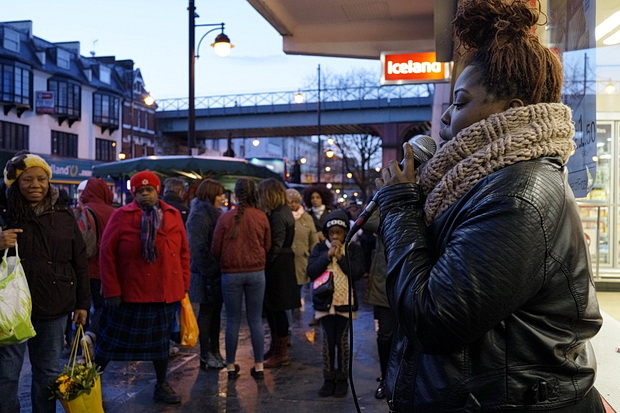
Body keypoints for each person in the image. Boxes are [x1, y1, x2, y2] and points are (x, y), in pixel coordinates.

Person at [374, 0, 604, 411]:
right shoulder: (486, 182)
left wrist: (398, 207)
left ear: (511, 112)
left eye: (460, 102)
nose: (445, 118)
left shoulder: (518, 195)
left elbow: (434, 319)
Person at [0, 151, 90, 413]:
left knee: (48, 373)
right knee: (6, 374)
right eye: (27, 179)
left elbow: (79, 261)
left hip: (54, 305)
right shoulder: (4, 216)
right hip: (10, 308)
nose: (36, 185)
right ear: (15, 183)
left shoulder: (63, 214)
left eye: (41, 179)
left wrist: (82, 303)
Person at [96, 171, 190, 405]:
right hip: (130, 293)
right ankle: (91, 383)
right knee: (109, 342)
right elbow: (106, 254)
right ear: (133, 193)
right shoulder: (121, 216)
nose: (145, 195)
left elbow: (183, 253)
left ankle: (161, 384)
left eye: (149, 190)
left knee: (160, 344)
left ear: (158, 191)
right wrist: (111, 290)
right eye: (140, 191)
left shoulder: (173, 214)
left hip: (163, 293)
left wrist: (183, 285)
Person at [211, 178, 271, 380]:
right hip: (256, 272)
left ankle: (230, 365)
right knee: (255, 319)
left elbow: (215, 248)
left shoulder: (225, 218)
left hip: (231, 273)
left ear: (235, 195)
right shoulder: (261, 216)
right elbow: (267, 245)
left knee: (232, 320)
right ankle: (259, 366)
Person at [307, 209, 364, 398]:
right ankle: (328, 378)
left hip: (345, 301)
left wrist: (340, 258)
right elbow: (311, 271)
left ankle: (342, 379)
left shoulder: (353, 248)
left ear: (345, 232)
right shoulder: (319, 248)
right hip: (324, 302)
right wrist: (326, 256)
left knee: (342, 340)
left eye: (339, 233)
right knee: (327, 340)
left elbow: (357, 272)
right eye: (332, 233)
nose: (335, 237)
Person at [257, 179, 300, 368]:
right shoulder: (283, 211)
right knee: (276, 309)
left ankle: (279, 352)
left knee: (277, 309)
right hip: (283, 264)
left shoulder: (278, 214)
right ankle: (276, 348)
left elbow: (276, 244)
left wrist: (265, 261)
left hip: (278, 267)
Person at [186, 179, 227, 370]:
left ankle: (215, 351)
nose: (222, 198)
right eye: (219, 194)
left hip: (213, 272)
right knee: (207, 313)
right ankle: (206, 354)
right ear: (210, 194)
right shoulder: (200, 216)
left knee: (215, 313)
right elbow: (197, 247)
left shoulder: (213, 214)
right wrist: (212, 269)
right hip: (205, 273)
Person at [78, 178, 117, 360]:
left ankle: (81, 342)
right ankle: (94, 337)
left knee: (82, 307)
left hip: (84, 268)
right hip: (105, 270)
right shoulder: (114, 212)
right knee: (102, 307)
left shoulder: (82, 211)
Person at [285, 188, 319, 290]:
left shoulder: (307, 217)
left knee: (299, 289)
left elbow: (313, 238)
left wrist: (313, 257)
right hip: (287, 261)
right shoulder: (282, 216)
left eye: (296, 202)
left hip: (302, 260)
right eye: (290, 202)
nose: (293, 205)